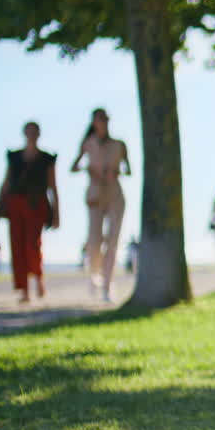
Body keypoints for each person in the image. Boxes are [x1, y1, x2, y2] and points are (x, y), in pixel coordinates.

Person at [0, 121, 59, 302]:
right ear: (24, 133)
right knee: (17, 246)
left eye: (34, 131)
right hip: (15, 203)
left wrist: (56, 213)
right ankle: (24, 290)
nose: (31, 135)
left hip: (36, 203)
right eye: (29, 131)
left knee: (32, 243)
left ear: (39, 134)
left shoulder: (46, 159)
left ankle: (38, 277)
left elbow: (53, 186)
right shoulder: (14, 157)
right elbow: (6, 182)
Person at [70, 107, 130, 302]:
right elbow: (74, 166)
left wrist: (116, 172)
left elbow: (129, 169)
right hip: (95, 195)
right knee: (94, 241)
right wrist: (88, 168)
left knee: (113, 241)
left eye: (105, 119)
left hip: (115, 194)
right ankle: (94, 273)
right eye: (99, 119)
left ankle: (107, 285)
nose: (102, 123)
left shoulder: (119, 145)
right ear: (94, 122)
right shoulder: (88, 144)